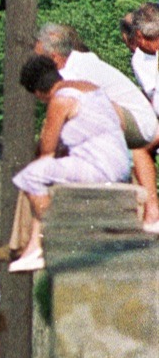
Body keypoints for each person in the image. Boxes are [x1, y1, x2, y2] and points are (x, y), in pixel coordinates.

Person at [8, 54, 132, 271]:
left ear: (38, 93)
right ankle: (34, 246)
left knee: (31, 176)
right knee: (43, 174)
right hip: (121, 162)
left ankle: (46, 240)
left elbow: (47, 150)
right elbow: (120, 122)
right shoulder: (90, 86)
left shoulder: (60, 100)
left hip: (99, 168)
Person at [34, 22, 159, 230]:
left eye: (40, 57)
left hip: (140, 124)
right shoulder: (73, 64)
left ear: (54, 57)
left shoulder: (75, 71)